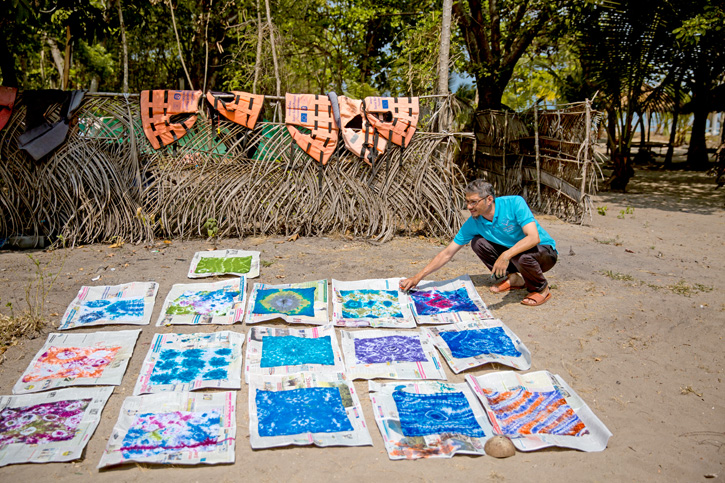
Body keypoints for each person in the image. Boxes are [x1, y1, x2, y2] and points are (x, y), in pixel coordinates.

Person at [399, 179, 558, 306]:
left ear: (489, 199)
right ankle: (515, 278)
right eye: (467, 201)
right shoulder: (474, 222)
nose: (469, 206)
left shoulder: (514, 203)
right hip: (515, 256)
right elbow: (447, 253)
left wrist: (506, 255)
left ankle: (541, 289)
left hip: (544, 252)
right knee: (478, 243)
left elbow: (533, 238)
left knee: (520, 256)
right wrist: (417, 277)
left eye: (474, 202)